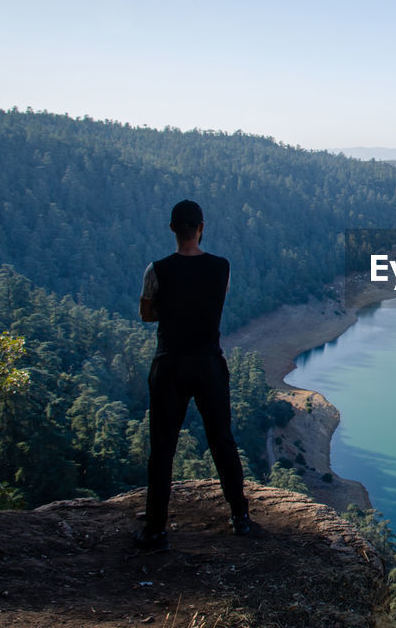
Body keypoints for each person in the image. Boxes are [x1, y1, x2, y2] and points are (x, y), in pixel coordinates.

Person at [133, 199, 250, 551]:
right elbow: (213, 303)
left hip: (169, 364)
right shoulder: (221, 267)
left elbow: (146, 315)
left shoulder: (156, 270)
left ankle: (155, 530)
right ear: (202, 228)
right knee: (222, 440)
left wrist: (171, 310)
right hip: (208, 363)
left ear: (172, 228)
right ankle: (240, 517)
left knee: (163, 449)